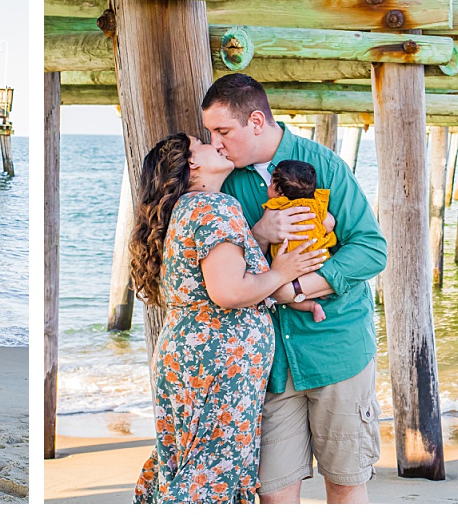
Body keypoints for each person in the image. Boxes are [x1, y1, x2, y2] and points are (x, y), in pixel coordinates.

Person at [202, 73, 388, 504]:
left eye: (222, 131)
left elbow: (371, 249)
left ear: (255, 122)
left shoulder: (323, 165)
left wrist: (297, 288)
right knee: (272, 494)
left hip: (336, 351)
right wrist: (259, 233)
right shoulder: (226, 181)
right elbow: (225, 265)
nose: (215, 143)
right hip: (271, 364)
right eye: (211, 133)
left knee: (345, 482)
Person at [129, 133, 327, 503]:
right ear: (192, 164)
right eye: (202, 143)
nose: (215, 144)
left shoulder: (192, 207)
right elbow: (229, 292)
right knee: (210, 472)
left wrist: (260, 237)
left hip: (195, 358)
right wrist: (284, 272)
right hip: (217, 365)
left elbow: (220, 273)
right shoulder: (215, 206)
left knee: (192, 464)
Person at [263, 160, 336, 323]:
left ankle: (312, 306)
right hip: (318, 259)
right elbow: (329, 224)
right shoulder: (316, 203)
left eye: (270, 184)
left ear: (278, 191)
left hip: (291, 264)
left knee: (283, 294)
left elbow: (267, 228)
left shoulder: (275, 206)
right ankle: (321, 292)